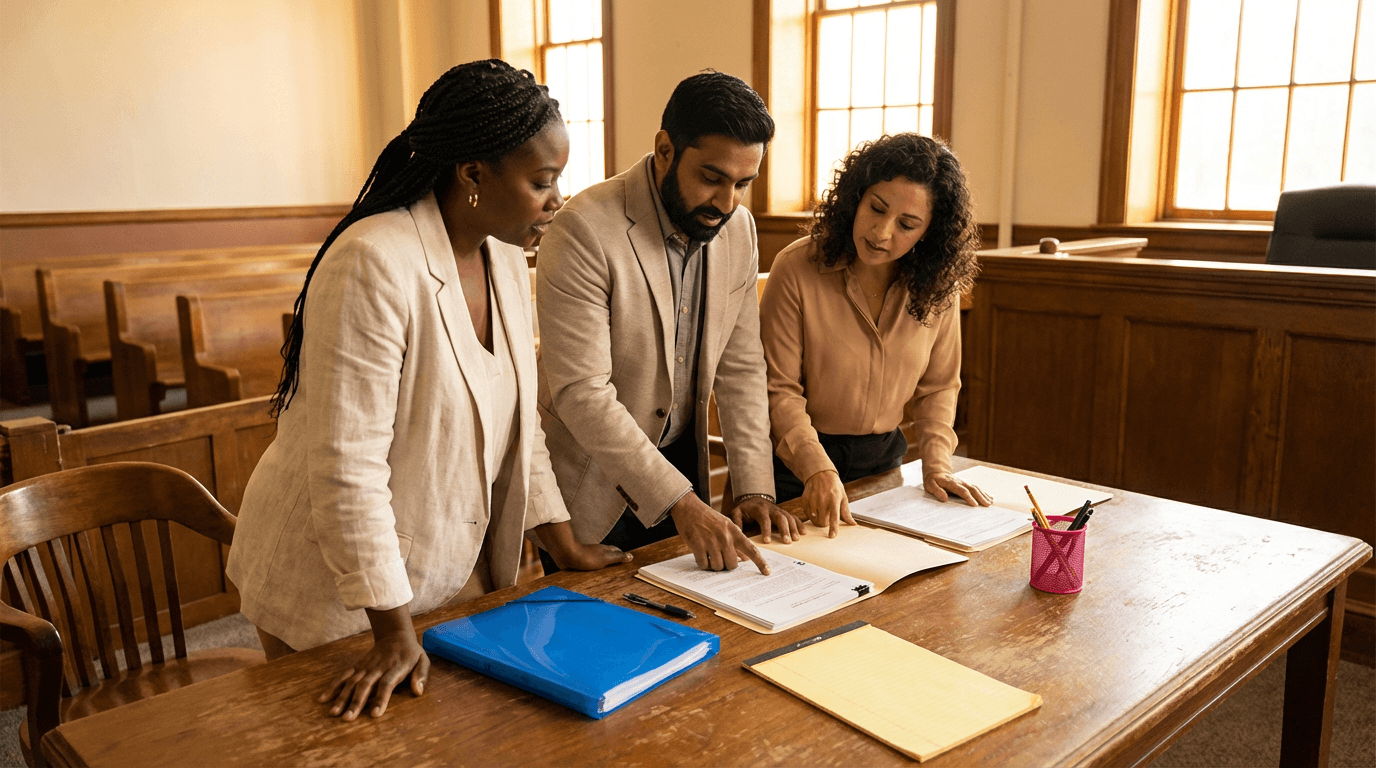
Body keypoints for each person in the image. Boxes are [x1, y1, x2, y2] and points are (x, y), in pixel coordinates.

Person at [226, 60, 627, 723]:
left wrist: (563, 541)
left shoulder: (501, 254)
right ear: (473, 174)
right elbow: (345, 467)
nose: (557, 199)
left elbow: (516, 422)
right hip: (333, 588)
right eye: (541, 181)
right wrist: (391, 630)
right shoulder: (373, 262)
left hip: (439, 568)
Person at [534, 71, 802, 576]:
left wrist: (753, 487)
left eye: (743, 184)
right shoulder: (584, 228)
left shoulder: (738, 228)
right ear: (664, 149)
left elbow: (741, 366)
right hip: (591, 487)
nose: (726, 203)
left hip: (682, 468)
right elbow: (582, 393)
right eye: (712, 177)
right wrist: (681, 502)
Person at [759, 133, 994, 537]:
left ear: (929, 233)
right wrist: (816, 468)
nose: (882, 232)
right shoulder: (797, 268)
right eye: (876, 208)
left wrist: (937, 464)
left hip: (884, 461)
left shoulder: (938, 286)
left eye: (906, 224)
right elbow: (778, 389)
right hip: (792, 463)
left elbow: (938, 386)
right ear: (856, 197)